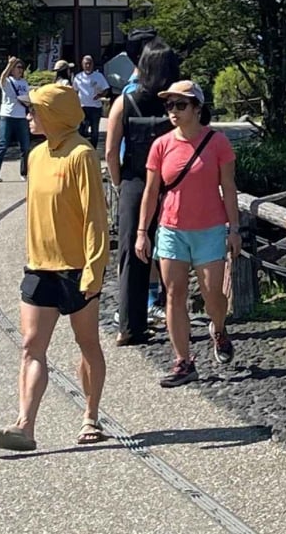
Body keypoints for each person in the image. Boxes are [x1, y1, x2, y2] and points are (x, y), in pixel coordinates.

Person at [0, 83, 108, 451]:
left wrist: (94, 269)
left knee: (87, 345)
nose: (29, 115)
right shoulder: (36, 156)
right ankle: (25, 426)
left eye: (35, 109)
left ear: (54, 114)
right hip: (39, 268)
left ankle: (91, 415)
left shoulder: (81, 155)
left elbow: (95, 219)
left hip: (77, 268)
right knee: (31, 346)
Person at [136, 80, 239, 386]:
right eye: (169, 105)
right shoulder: (161, 145)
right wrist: (143, 230)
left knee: (213, 295)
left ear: (197, 108)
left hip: (209, 229)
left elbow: (229, 188)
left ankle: (218, 328)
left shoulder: (218, 142)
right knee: (174, 294)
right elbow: (151, 190)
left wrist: (234, 229)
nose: (174, 111)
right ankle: (183, 361)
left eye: (181, 105)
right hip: (171, 228)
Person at [104, 38, 178, 347]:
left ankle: (130, 327)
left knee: (131, 254)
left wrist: (121, 183)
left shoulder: (125, 101)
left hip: (135, 179)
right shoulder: (177, 102)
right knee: (175, 249)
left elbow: (109, 151)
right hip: (172, 182)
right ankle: (175, 314)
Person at [0, 58, 33, 183]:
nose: (20, 69)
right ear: (12, 69)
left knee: (25, 146)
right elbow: (2, 77)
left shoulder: (24, 83)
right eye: (17, 67)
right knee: (2, 145)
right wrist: (9, 64)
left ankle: (24, 173)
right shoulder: (8, 81)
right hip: (7, 115)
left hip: (21, 116)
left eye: (21, 67)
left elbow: (28, 98)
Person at [72, 55, 111, 149]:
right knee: (81, 129)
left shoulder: (99, 76)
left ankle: (93, 148)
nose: (88, 65)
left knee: (95, 130)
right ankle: (82, 148)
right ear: (82, 65)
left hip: (95, 107)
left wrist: (100, 95)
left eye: (89, 63)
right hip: (82, 106)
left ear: (93, 64)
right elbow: (74, 91)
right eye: (86, 64)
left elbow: (106, 89)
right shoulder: (78, 77)